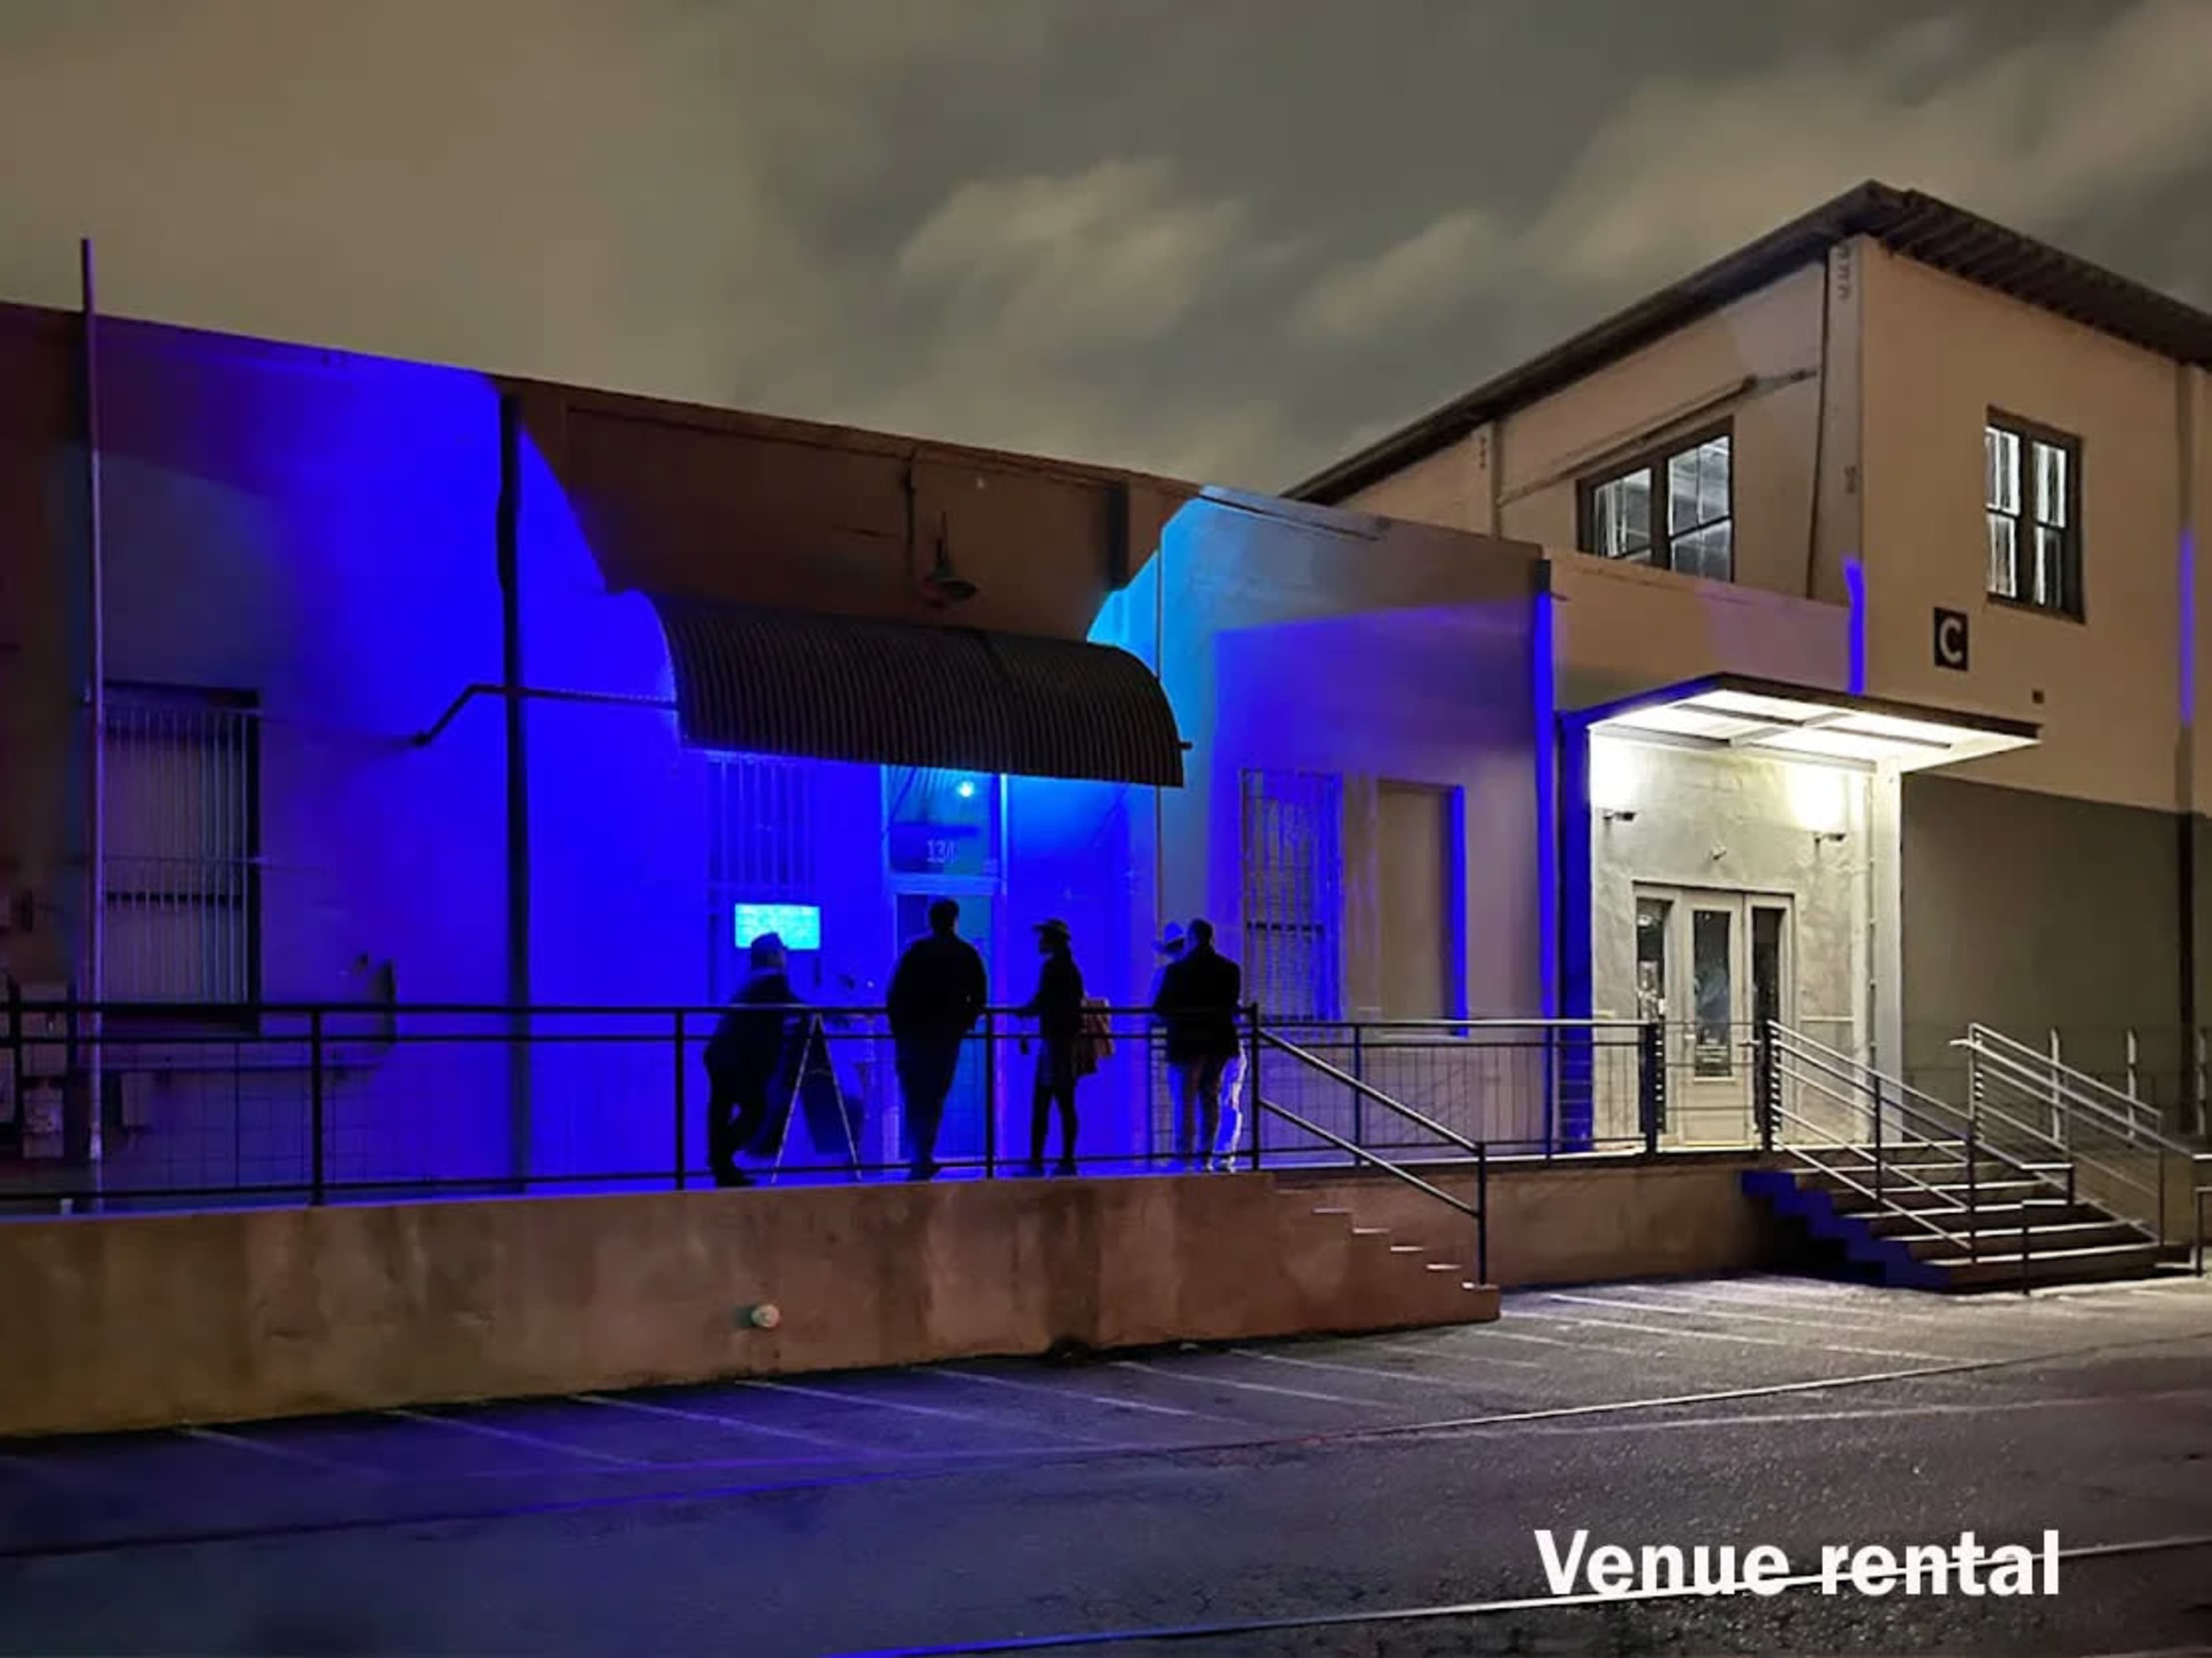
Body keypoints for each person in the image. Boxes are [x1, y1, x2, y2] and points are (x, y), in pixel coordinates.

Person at [887, 898, 988, 1182]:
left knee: (915, 1094)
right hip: (945, 1036)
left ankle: (917, 1155)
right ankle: (923, 1153)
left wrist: (900, 1031)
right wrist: (963, 1024)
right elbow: (979, 997)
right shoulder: (966, 954)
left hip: (914, 1037)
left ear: (931, 921)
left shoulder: (916, 952)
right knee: (934, 1096)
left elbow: (895, 995)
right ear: (955, 920)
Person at [703, 933, 798, 1188]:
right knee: (757, 1108)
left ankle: (723, 1168)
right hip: (734, 1058)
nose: (785, 957)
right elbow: (797, 1008)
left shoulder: (750, 982)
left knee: (721, 1109)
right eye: (782, 952)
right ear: (772, 956)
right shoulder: (772, 981)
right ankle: (720, 1157)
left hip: (719, 1053)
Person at [1154, 918, 1244, 1172]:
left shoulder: (1177, 971)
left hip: (1186, 1042)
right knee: (1210, 1098)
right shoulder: (1230, 970)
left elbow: (1161, 1009)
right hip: (1219, 1042)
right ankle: (1205, 1156)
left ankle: (1184, 1156)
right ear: (1212, 939)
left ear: (1192, 940)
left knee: (1185, 1100)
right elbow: (1232, 1006)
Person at [1018, 918, 1085, 1177]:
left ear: (1052, 940)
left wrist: (1023, 1012)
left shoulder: (1053, 968)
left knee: (1043, 1104)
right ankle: (1067, 1160)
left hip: (1054, 1043)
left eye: (1043, 938)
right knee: (1066, 1104)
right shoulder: (1071, 968)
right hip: (1067, 1042)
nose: (1039, 942)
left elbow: (1042, 1000)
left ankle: (1037, 1162)